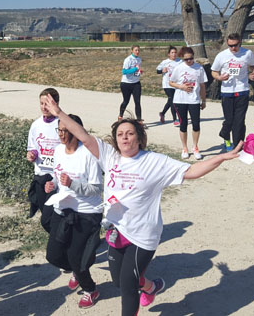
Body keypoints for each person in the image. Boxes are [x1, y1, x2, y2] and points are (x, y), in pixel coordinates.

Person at [42, 94, 242, 316]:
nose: (124, 138)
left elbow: (191, 171)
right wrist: (59, 113)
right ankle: (151, 286)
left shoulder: (154, 161)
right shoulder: (110, 157)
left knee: (127, 284)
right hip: (117, 230)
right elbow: (84, 137)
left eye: (129, 134)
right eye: (120, 134)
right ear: (115, 139)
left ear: (139, 138)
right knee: (119, 281)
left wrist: (221, 158)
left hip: (143, 235)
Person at [44, 113, 103, 308]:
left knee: (76, 257)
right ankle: (78, 270)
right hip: (63, 209)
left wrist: (73, 184)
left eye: (65, 130)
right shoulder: (58, 151)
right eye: (59, 130)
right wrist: (52, 184)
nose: (61, 134)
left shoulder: (88, 155)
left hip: (87, 213)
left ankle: (90, 289)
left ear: (77, 132)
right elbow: (56, 175)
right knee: (53, 255)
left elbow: (96, 188)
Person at [211, 33, 254, 151]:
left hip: (242, 90)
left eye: (235, 45)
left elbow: (253, 66)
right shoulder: (221, 56)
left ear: (240, 42)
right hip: (227, 91)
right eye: (230, 45)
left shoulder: (247, 53)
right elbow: (214, 71)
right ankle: (226, 137)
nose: (233, 48)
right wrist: (219, 78)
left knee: (239, 120)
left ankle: (238, 145)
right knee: (229, 120)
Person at [26, 88, 62, 230]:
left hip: (57, 177)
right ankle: (55, 238)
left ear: (56, 103)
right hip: (40, 174)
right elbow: (32, 147)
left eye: (47, 104)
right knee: (44, 212)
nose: (44, 107)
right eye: (41, 103)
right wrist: (32, 154)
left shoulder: (62, 124)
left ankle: (59, 242)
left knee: (51, 214)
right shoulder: (35, 125)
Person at [169, 47, 207, 160]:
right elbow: (171, 82)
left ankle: (195, 147)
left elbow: (202, 85)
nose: (189, 61)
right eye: (186, 59)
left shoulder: (199, 68)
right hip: (180, 100)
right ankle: (184, 148)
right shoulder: (179, 68)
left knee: (196, 124)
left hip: (194, 100)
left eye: (191, 58)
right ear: (183, 58)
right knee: (183, 124)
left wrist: (203, 100)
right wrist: (181, 86)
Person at [118, 45, 144, 125]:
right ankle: (120, 116)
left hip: (136, 83)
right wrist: (135, 69)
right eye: (136, 50)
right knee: (126, 101)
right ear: (132, 51)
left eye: (138, 50)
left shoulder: (139, 59)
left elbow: (137, 70)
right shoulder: (128, 60)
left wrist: (139, 72)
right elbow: (124, 72)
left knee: (137, 102)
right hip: (126, 84)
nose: (137, 52)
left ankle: (139, 121)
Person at [156, 46, 181, 126]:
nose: (174, 54)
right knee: (173, 101)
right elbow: (157, 71)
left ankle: (162, 113)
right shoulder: (165, 62)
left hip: (176, 84)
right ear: (169, 54)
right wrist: (162, 70)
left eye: (175, 52)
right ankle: (175, 119)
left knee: (171, 100)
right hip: (167, 84)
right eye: (172, 53)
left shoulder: (180, 62)